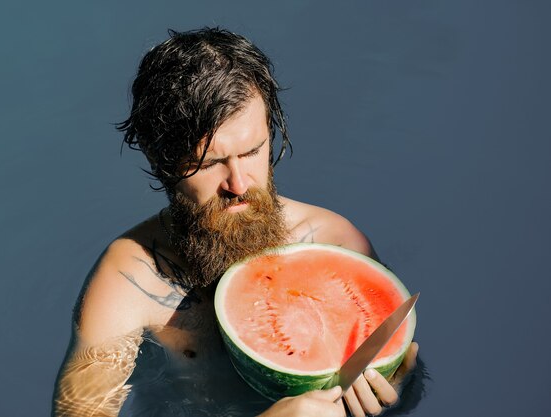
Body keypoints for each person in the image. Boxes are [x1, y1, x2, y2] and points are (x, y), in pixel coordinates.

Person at [52, 27, 419, 417]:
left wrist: (396, 388)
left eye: (253, 151)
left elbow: (405, 378)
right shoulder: (132, 278)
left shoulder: (337, 243)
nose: (239, 184)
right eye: (210, 164)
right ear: (160, 160)